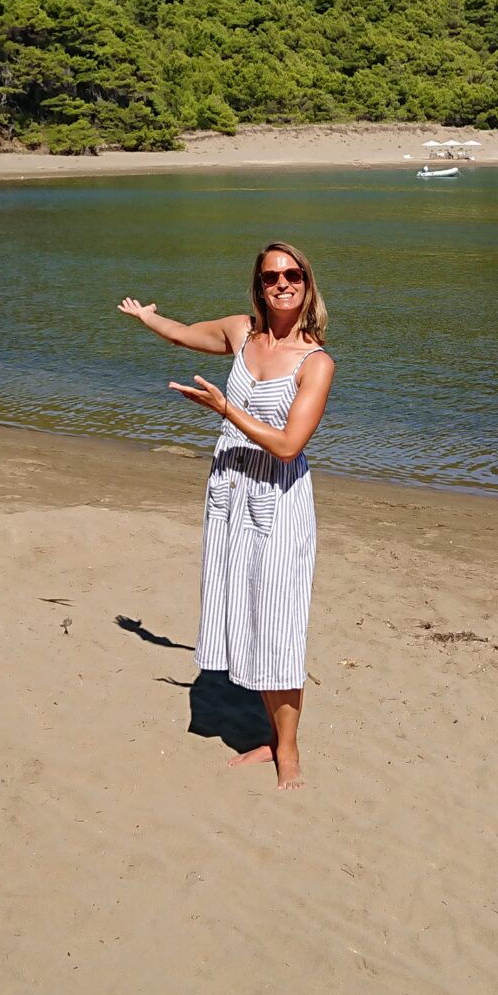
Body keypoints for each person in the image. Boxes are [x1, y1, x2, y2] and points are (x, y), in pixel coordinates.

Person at [118, 243, 337, 791]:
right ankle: (269, 733)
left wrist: (225, 410)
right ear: (258, 286)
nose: (281, 284)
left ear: (307, 283)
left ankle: (287, 750)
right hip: (231, 494)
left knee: (280, 625)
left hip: (279, 501)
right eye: (270, 277)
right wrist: (148, 318)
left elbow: (289, 446)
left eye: (292, 274)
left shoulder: (317, 362)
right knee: (245, 611)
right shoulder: (241, 333)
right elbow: (183, 333)